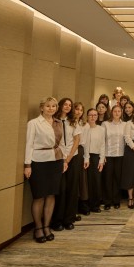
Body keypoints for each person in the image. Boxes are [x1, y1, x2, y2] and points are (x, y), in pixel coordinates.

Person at [24, 97, 64, 243]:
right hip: (38, 162)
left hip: (56, 161)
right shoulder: (34, 123)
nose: (51, 108)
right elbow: (29, 144)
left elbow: (62, 143)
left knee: (51, 195)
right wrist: (27, 165)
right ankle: (38, 228)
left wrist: (64, 160)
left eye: (54, 106)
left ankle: (47, 226)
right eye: (48, 106)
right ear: (42, 108)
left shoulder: (58, 123)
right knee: (39, 196)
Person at [51, 98, 83, 232]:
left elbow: (77, 140)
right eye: (65, 104)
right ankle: (57, 220)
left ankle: (68, 219)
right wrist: (62, 159)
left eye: (70, 105)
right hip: (57, 158)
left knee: (72, 188)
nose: (68, 107)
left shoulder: (73, 121)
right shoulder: (53, 120)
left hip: (72, 158)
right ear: (60, 106)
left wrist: (68, 159)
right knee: (60, 189)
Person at [102, 105, 126, 210]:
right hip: (108, 155)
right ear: (111, 112)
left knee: (117, 178)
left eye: (119, 111)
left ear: (121, 113)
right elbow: (102, 140)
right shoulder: (105, 124)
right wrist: (102, 155)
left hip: (120, 154)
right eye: (115, 111)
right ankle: (107, 201)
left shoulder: (125, 124)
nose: (117, 113)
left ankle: (116, 200)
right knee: (107, 178)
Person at [82, 108, 105, 213]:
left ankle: (95, 205)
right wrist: (86, 157)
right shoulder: (84, 127)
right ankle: (85, 206)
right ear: (87, 116)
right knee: (85, 182)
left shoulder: (101, 129)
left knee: (96, 181)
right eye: (90, 115)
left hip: (96, 157)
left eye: (95, 115)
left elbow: (103, 145)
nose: (92, 117)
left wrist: (101, 160)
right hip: (84, 157)